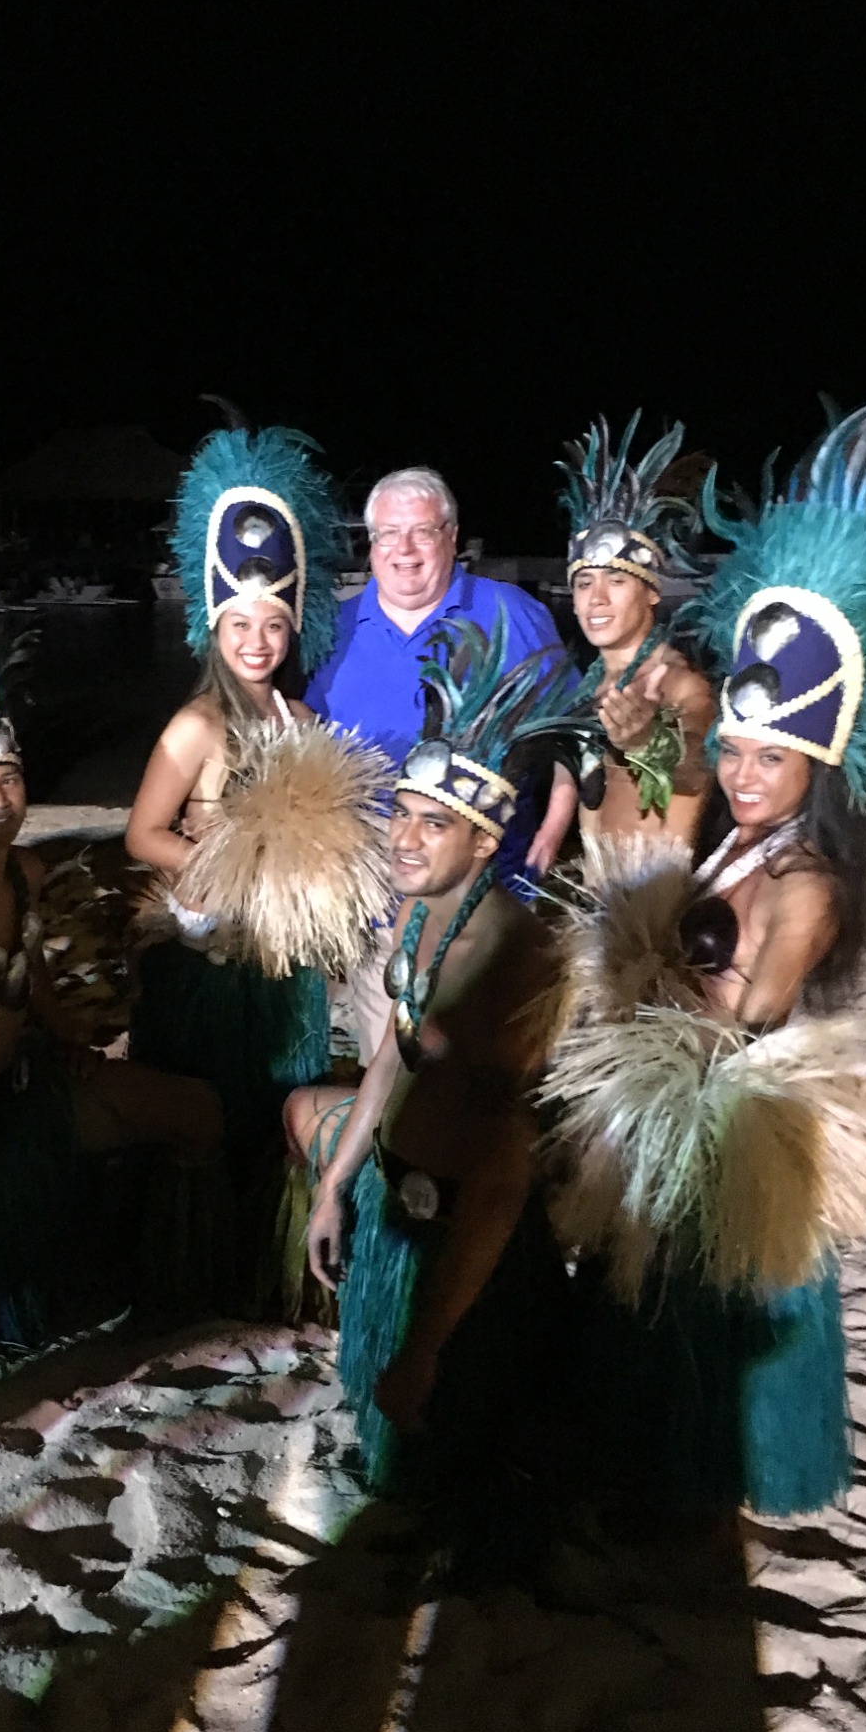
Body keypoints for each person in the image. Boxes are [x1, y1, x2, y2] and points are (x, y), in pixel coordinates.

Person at [547, 378, 866, 1520]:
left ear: (817, 764)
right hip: (667, 1085)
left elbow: (745, 1022)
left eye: (769, 759)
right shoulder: (740, 839)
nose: (742, 774)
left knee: (693, 1335)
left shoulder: (808, 883)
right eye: (738, 753)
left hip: (717, 1120)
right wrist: (639, 754)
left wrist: (640, 1033)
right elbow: (669, 788)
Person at [285, 617, 594, 1559]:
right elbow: (392, 1055)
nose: (405, 839)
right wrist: (336, 1184)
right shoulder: (419, 916)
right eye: (402, 814)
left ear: (487, 838)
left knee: (469, 1486)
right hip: (404, 1210)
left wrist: (427, 1346)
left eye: (434, 823)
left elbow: (504, 1172)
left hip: (473, 1255)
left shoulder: (517, 954)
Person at [0, 614, 223, 1350]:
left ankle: (184, 1282)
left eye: (10, 778)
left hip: (29, 1094)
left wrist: (69, 1040)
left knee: (196, 1112)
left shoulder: (26, 870)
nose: (0, 798)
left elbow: (34, 979)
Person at [125, 424, 350, 1309]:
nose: (257, 641)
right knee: (209, 1122)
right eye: (240, 624)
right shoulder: (195, 726)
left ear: (293, 629)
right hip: (211, 965)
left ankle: (266, 1272)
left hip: (283, 971)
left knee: (271, 1122)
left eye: (274, 625)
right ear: (212, 625)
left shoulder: (303, 722)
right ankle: (193, 1277)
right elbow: (142, 834)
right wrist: (222, 866)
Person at [304, 467, 575, 1062]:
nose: (404, 550)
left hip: (494, 895)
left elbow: (572, 730)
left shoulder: (511, 613)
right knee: (389, 1067)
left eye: (422, 532)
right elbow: (305, 746)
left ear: (452, 537)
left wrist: (556, 825)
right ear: (370, 544)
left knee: (489, 1066)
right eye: (388, 534)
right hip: (377, 904)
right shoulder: (334, 630)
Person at [558, 415, 716, 845]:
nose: (597, 598)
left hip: (657, 883)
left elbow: (697, 771)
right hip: (595, 880)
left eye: (616, 581)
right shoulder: (587, 684)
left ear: (651, 592)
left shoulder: (678, 682)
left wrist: (649, 741)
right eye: (584, 583)